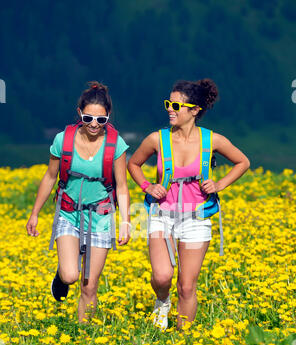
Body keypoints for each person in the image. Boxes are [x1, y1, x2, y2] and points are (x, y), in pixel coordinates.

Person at [127, 78, 250, 331]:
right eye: (168, 103)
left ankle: (184, 341)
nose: (169, 109)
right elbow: (133, 164)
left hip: (196, 218)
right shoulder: (156, 139)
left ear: (195, 110)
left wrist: (219, 184)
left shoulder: (212, 140)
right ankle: (162, 301)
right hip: (161, 214)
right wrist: (147, 186)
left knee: (186, 286)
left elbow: (243, 162)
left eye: (176, 105)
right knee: (162, 276)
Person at [26, 81, 130, 323]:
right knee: (72, 274)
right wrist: (34, 214)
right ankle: (61, 278)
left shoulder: (116, 145)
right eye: (88, 118)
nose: (94, 124)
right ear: (79, 113)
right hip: (68, 213)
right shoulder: (63, 140)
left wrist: (125, 221)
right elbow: (51, 176)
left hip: (101, 217)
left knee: (89, 286)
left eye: (101, 120)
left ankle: (85, 337)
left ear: (108, 117)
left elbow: (122, 187)